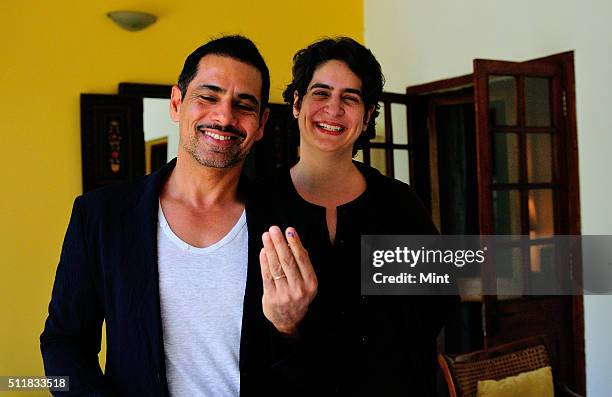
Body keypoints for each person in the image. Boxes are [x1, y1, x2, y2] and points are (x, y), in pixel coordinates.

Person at [41, 35, 313, 396]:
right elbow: (64, 342)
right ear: (176, 103)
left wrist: (290, 328)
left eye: (244, 105)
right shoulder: (101, 216)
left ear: (261, 124)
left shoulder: (288, 223)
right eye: (208, 96)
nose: (224, 116)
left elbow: (324, 363)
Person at [259, 37, 459, 396]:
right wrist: (286, 325)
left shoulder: (399, 204)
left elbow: (437, 303)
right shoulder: (259, 204)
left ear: (367, 117)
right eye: (320, 93)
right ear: (296, 103)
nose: (333, 109)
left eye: (350, 98)